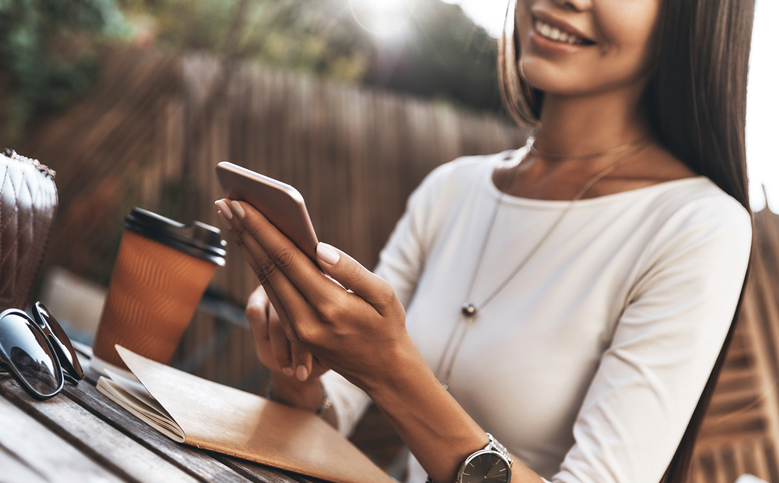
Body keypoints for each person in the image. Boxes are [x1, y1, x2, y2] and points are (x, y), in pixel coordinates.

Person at [214, 0, 755, 481]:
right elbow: (335, 411)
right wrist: (299, 373)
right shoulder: (452, 188)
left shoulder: (698, 226)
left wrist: (391, 370)